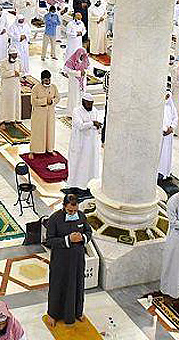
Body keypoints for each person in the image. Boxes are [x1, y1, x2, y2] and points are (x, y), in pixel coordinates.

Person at [44, 194, 93, 327]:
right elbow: (49, 240)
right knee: (57, 285)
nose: (72, 213)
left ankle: (77, 312)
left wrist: (83, 237)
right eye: (70, 210)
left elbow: (89, 232)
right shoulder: (55, 219)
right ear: (64, 207)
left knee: (78, 284)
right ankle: (53, 314)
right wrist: (67, 239)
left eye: (75, 210)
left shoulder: (81, 216)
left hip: (77, 260)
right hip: (61, 260)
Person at [66, 93, 103, 192]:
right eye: (88, 103)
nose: (90, 105)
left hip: (92, 144)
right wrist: (92, 123)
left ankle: (90, 184)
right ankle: (75, 184)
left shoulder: (95, 111)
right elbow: (80, 125)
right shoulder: (77, 111)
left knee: (91, 163)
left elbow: (99, 123)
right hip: (80, 143)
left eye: (91, 103)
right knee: (78, 163)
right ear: (83, 102)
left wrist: (95, 125)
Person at [30, 71, 59, 155]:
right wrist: (45, 101)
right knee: (38, 132)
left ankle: (50, 149)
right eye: (46, 80)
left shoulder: (53, 87)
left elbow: (57, 98)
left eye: (49, 80)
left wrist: (52, 101)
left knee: (50, 131)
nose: (48, 82)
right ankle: (35, 150)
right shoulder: (36, 88)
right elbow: (33, 101)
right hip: (39, 114)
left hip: (50, 114)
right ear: (42, 79)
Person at [0, 48, 22, 124]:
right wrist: (13, 73)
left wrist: (19, 74)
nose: (15, 56)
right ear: (9, 55)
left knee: (15, 103)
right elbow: (3, 74)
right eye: (13, 55)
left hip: (16, 86)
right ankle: (3, 120)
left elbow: (21, 72)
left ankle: (15, 119)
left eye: (15, 54)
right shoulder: (3, 63)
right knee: (5, 103)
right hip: (7, 87)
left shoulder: (18, 62)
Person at [158, 89, 178, 179]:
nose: (166, 98)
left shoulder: (170, 106)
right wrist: (164, 129)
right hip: (161, 134)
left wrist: (172, 127)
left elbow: (175, 117)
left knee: (165, 154)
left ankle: (163, 172)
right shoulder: (158, 107)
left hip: (168, 136)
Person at [63, 47, 88, 115]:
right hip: (74, 81)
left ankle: (80, 113)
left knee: (81, 97)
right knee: (74, 98)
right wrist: (78, 73)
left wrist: (85, 71)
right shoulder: (72, 60)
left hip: (82, 82)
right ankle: (72, 113)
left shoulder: (85, 60)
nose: (82, 57)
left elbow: (88, 67)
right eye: (81, 55)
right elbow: (67, 69)